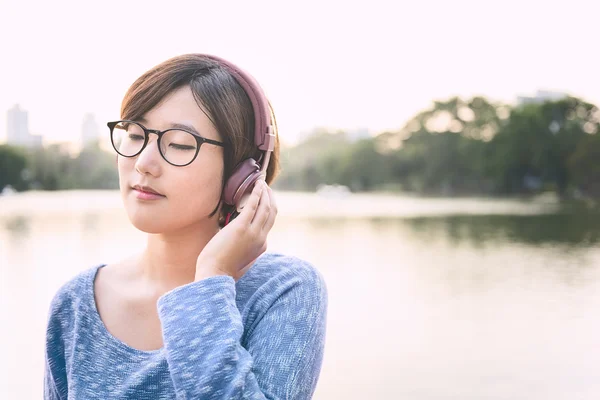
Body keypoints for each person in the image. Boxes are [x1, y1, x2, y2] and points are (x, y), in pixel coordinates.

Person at [43, 54, 328, 399]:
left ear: (242, 175)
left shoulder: (282, 290)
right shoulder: (75, 304)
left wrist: (210, 278)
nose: (144, 163)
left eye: (179, 144)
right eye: (134, 135)